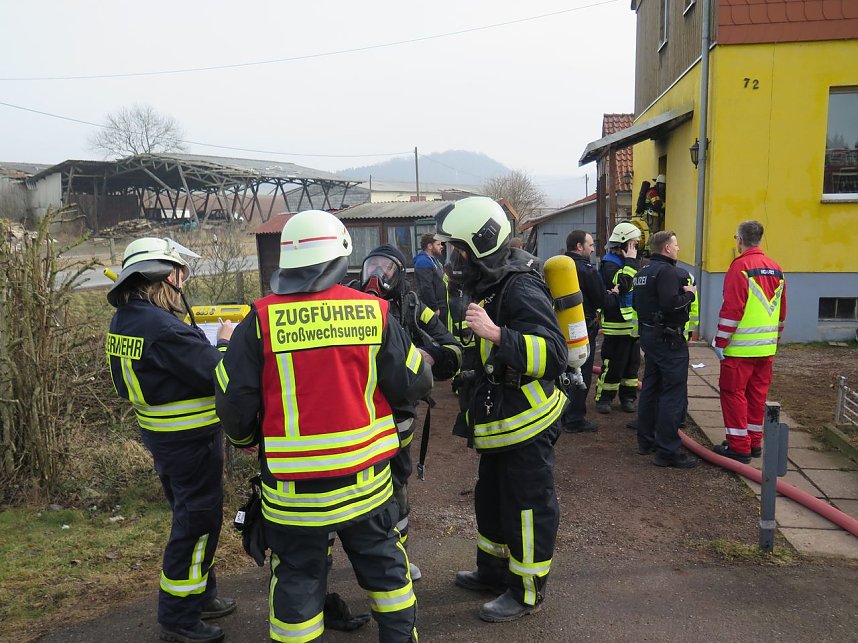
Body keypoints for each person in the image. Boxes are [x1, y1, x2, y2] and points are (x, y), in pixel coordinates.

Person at [214, 210, 432, 643]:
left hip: (292, 494)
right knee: (387, 571)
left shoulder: (258, 320)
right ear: (341, 257)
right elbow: (414, 381)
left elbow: (234, 404)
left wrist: (243, 440)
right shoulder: (373, 313)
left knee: (296, 580)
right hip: (366, 486)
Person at [435, 196, 567, 623]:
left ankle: (526, 590)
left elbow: (553, 355)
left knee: (527, 506)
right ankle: (492, 571)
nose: (454, 258)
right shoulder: (487, 281)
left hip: (526, 421)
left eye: (460, 249)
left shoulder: (519, 285)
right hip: (497, 421)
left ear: (482, 246)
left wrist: (497, 334)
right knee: (489, 500)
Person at [105, 237, 236, 643]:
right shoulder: (162, 329)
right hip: (190, 443)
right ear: (165, 277)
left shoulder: (128, 320)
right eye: (181, 274)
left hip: (164, 439)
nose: (185, 283)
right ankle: (179, 618)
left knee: (191, 516)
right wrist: (228, 340)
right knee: (196, 523)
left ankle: (201, 594)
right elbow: (219, 373)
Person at [358, 243, 463, 580]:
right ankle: (325, 562)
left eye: (386, 269)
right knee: (346, 485)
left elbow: (451, 348)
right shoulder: (346, 302)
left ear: (400, 274)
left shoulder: (414, 305)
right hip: (357, 414)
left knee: (396, 482)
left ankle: (397, 555)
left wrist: (425, 357)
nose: (376, 275)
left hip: (397, 413)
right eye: (371, 266)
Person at [712, 220, 786, 464]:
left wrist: (720, 341)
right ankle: (754, 443)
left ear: (740, 240)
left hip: (740, 348)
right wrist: (775, 339)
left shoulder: (740, 267)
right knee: (757, 396)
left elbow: (732, 309)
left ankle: (738, 446)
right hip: (766, 348)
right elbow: (781, 311)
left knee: (733, 394)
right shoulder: (776, 268)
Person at [632, 231, 699, 469]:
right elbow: (671, 304)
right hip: (668, 339)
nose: (678, 249)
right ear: (667, 249)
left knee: (651, 386)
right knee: (673, 392)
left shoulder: (642, 273)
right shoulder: (668, 272)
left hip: (649, 336)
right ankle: (668, 450)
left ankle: (645, 439)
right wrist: (688, 295)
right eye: (676, 245)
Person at [559, 230, 607, 433]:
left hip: (560, 327)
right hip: (582, 328)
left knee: (563, 370)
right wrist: (614, 295)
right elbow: (601, 300)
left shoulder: (559, 267)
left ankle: (561, 412)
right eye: (590, 244)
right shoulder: (587, 270)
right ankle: (575, 418)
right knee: (581, 370)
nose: (593, 248)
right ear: (579, 246)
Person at [595, 221, 642, 415]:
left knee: (632, 366)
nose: (636, 248)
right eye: (634, 244)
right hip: (616, 323)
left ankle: (628, 397)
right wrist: (630, 262)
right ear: (623, 244)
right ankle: (604, 398)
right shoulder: (609, 264)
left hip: (632, 324)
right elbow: (623, 285)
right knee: (614, 363)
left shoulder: (627, 263)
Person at [413, 233, 447, 321]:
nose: (441, 246)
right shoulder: (423, 262)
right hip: (433, 308)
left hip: (441, 305)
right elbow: (426, 287)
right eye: (438, 244)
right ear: (430, 246)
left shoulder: (434, 260)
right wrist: (434, 308)